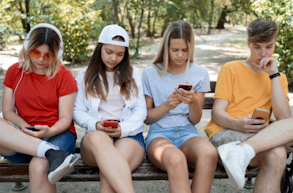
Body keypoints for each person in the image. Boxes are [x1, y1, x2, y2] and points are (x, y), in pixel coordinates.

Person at [205, 18, 291, 192]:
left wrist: (273, 75)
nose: (263, 53)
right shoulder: (231, 69)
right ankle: (240, 151)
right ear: (249, 44)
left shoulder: (278, 78)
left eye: (269, 47)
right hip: (225, 134)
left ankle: (243, 150)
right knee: (277, 152)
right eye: (257, 47)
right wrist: (238, 124)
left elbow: (284, 119)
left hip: (259, 138)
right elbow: (217, 113)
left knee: (277, 152)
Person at [0, 23, 79, 192]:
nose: (41, 59)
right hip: (22, 136)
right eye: (36, 52)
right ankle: (50, 152)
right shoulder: (15, 71)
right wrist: (24, 128)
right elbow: (7, 111)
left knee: (39, 165)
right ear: (28, 48)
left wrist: (48, 132)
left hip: (57, 134)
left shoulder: (64, 76)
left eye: (48, 55)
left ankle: (51, 152)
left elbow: (65, 118)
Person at [142, 20, 218, 193]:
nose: (180, 55)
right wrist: (168, 105)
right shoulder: (150, 73)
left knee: (209, 153)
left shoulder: (199, 73)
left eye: (185, 50)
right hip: (159, 134)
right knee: (176, 158)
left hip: (187, 133)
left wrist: (193, 102)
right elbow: (147, 118)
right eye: (174, 50)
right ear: (165, 48)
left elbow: (195, 119)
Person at [73, 24, 146, 193]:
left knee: (110, 171)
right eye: (109, 52)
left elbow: (141, 110)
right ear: (100, 48)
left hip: (128, 136)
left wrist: (124, 129)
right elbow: (77, 112)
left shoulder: (134, 74)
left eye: (120, 54)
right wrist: (96, 124)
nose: (114, 58)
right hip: (95, 139)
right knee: (101, 142)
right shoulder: (84, 75)